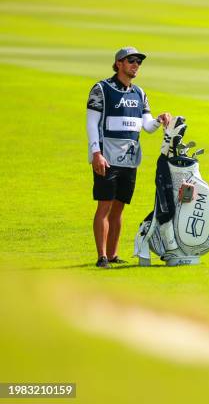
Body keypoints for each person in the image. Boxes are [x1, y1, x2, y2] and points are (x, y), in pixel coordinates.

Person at [86, 47, 171, 268]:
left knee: (119, 208)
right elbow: (91, 123)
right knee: (104, 207)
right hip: (107, 158)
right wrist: (96, 153)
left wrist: (160, 119)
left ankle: (113, 255)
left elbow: (147, 126)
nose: (136, 65)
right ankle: (102, 256)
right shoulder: (101, 89)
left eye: (139, 62)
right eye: (131, 60)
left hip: (130, 160)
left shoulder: (139, 93)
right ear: (119, 63)